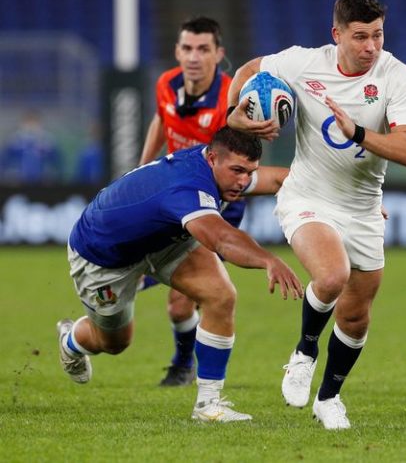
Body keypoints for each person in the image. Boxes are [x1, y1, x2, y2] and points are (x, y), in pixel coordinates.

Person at [226, 0, 406, 429]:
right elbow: (247, 70)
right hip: (308, 197)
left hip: (364, 209)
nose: (371, 46)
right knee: (332, 275)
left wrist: (357, 132)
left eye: (377, 35)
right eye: (360, 37)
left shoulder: (396, 76)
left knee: (356, 316)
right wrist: (233, 114)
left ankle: (329, 398)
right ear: (337, 35)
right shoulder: (303, 63)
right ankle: (304, 351)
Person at [56, 127, 303, 422]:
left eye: (249, 172)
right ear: (212, 159)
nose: (243, 181)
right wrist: (268, 260)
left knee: (220, 295)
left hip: (165, 239)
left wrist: (348, 199)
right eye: (238, 171)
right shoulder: (187, 187)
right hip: (104, 255)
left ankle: (208, 405)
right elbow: (222, 239)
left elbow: (279, 180)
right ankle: (70, 341)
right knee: (114, 343)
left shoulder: (220, 167)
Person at [139, 16, 249, 387]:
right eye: (187, 48)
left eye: (203, 49)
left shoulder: (231, 99)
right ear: (177, 51)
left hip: (215, 206)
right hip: (171, 199)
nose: (194, 57)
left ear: (219, 54)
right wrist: (141, 170)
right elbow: (160, 120)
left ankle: (185, 363)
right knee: (175, 295)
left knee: (182, 300)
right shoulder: (165, 84)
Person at [1, 112, 63, 184]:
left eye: (34, 123)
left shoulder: (48, 141)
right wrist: (9, 174)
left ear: (40, 124)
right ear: (22, 124)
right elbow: (5, 161)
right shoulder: (14, 140)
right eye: (29, 123)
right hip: (19, 181)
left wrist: (52, 174)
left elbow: (57, 162)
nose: (31, 126)